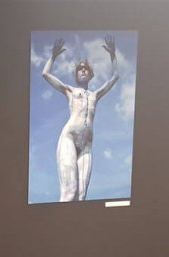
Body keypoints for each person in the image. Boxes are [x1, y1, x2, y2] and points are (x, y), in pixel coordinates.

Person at [42, 34, 119, 202]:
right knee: (70, 193)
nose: (83, 70)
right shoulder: (70, 90)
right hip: (69, 137)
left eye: (86, 69)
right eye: (80, 69)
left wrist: (113, 55)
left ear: (90, 75)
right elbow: (45, 74)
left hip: (87, 146)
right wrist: (53, 57)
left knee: (81, 197)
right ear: (76, 75)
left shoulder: (95, 95)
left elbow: (115, 77)